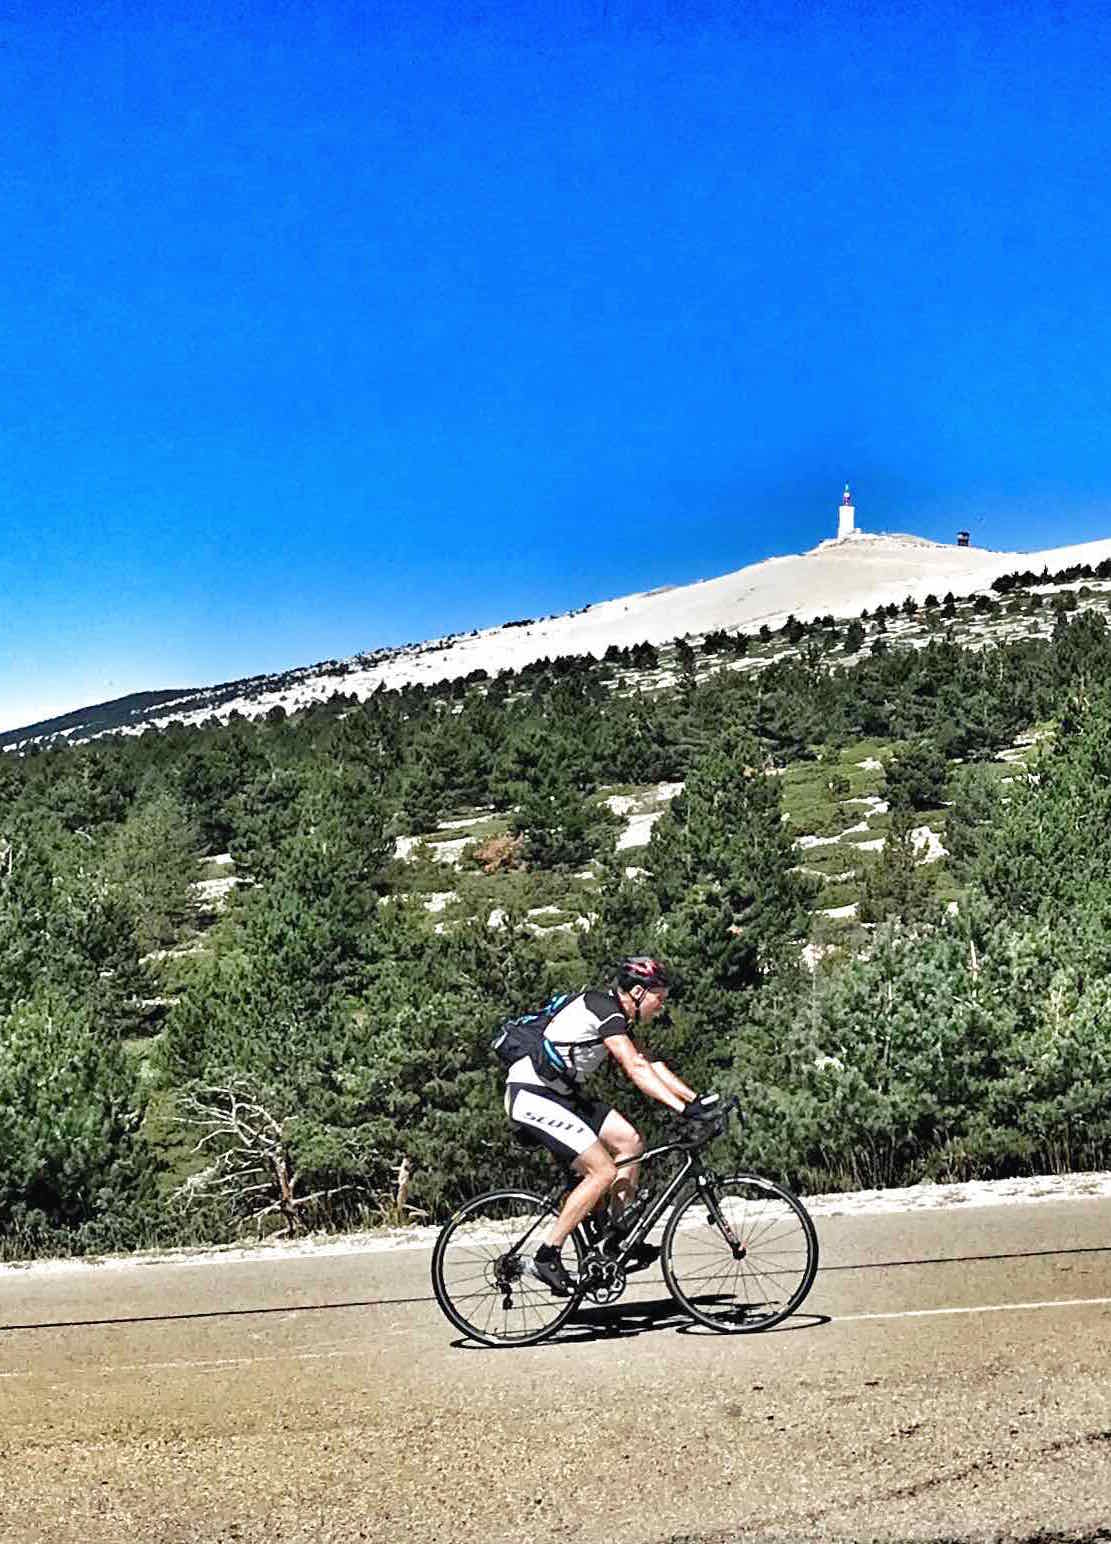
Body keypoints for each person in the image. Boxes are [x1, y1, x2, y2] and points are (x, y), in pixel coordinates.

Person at [503, 955, 723, 1296]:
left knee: (629, 1141)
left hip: (562, 1095)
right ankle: (548, 1254)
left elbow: (650, 1063)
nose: (661, 1006)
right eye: (659, 998)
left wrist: (696, 1101)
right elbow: (634, 1067)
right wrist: (682, 1109)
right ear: (637, 992)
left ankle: (616, 1238)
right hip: (532, 1094)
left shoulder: (618, 1016)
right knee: (602, 1171)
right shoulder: (602, 1008)